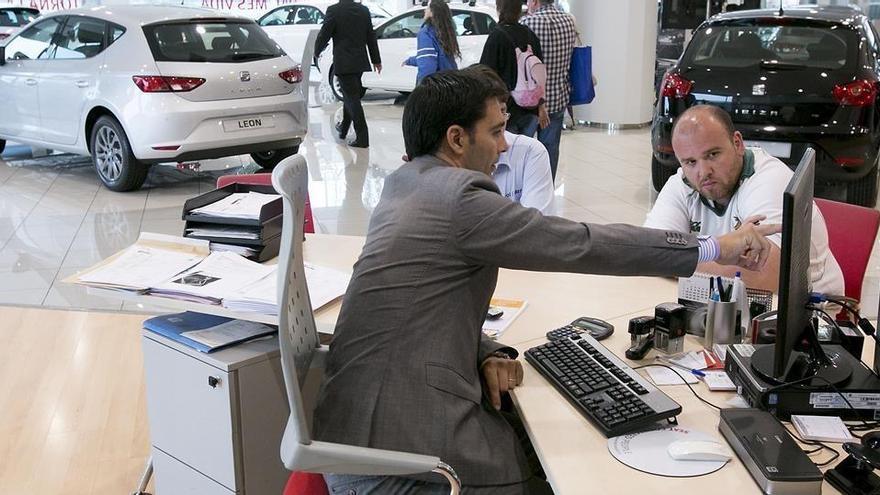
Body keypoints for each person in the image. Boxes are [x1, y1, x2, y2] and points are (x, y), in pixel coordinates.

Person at [313, 67, 777, 494]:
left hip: (353, 433)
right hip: (404, 461)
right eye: (496, 131)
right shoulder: (459, 196)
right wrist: (715, 247)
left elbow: (413, 309)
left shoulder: (404, 185)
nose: (504, 144)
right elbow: (582, 243)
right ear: (456, 139)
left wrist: (485, 349)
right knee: (567, 473)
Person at [644, 105, 844, 295]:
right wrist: (718, 252)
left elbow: (765, 275)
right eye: (690, 162)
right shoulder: (680, 184)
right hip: (725, 302)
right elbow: (648, 253)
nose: (703, 172)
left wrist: (675, 258)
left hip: (815, 311)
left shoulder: (770, 180)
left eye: (713, 154)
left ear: (737, 144)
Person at [521, 0, 577, 181]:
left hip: (530, 102)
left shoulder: (528, 24)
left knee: (524, 151)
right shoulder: (569, 21)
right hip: (558, 97)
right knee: (550, 150)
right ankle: (546, 191)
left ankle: (524, 192)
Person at [315, 0, 382, 148]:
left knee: (352, 98)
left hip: (344, 61)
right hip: (359, 62)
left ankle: (362, 137)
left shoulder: (334, 10)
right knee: (350, 95)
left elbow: (324, 34)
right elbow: (371, 36)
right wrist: (376, 60)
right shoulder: (363, 10)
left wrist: (316, 51)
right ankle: (343, 129)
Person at [479, 0, 547, 137]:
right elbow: (539, 72)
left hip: (506, 109)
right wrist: (541, 105)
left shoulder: (496, 36)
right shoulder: (530, 34)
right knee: (524, 151)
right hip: (531, 107)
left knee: (506, 153)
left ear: (499, 9)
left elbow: (485, 73)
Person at [404, 0, 460, 84]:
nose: (425, 10)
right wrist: (410, 60)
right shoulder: (446, 31)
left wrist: (423, 87)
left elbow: (428, 63)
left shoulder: (426, 32)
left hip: (436, 84)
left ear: (432, 12)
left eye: (427, 8)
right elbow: (436, 56)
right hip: (451, 79)